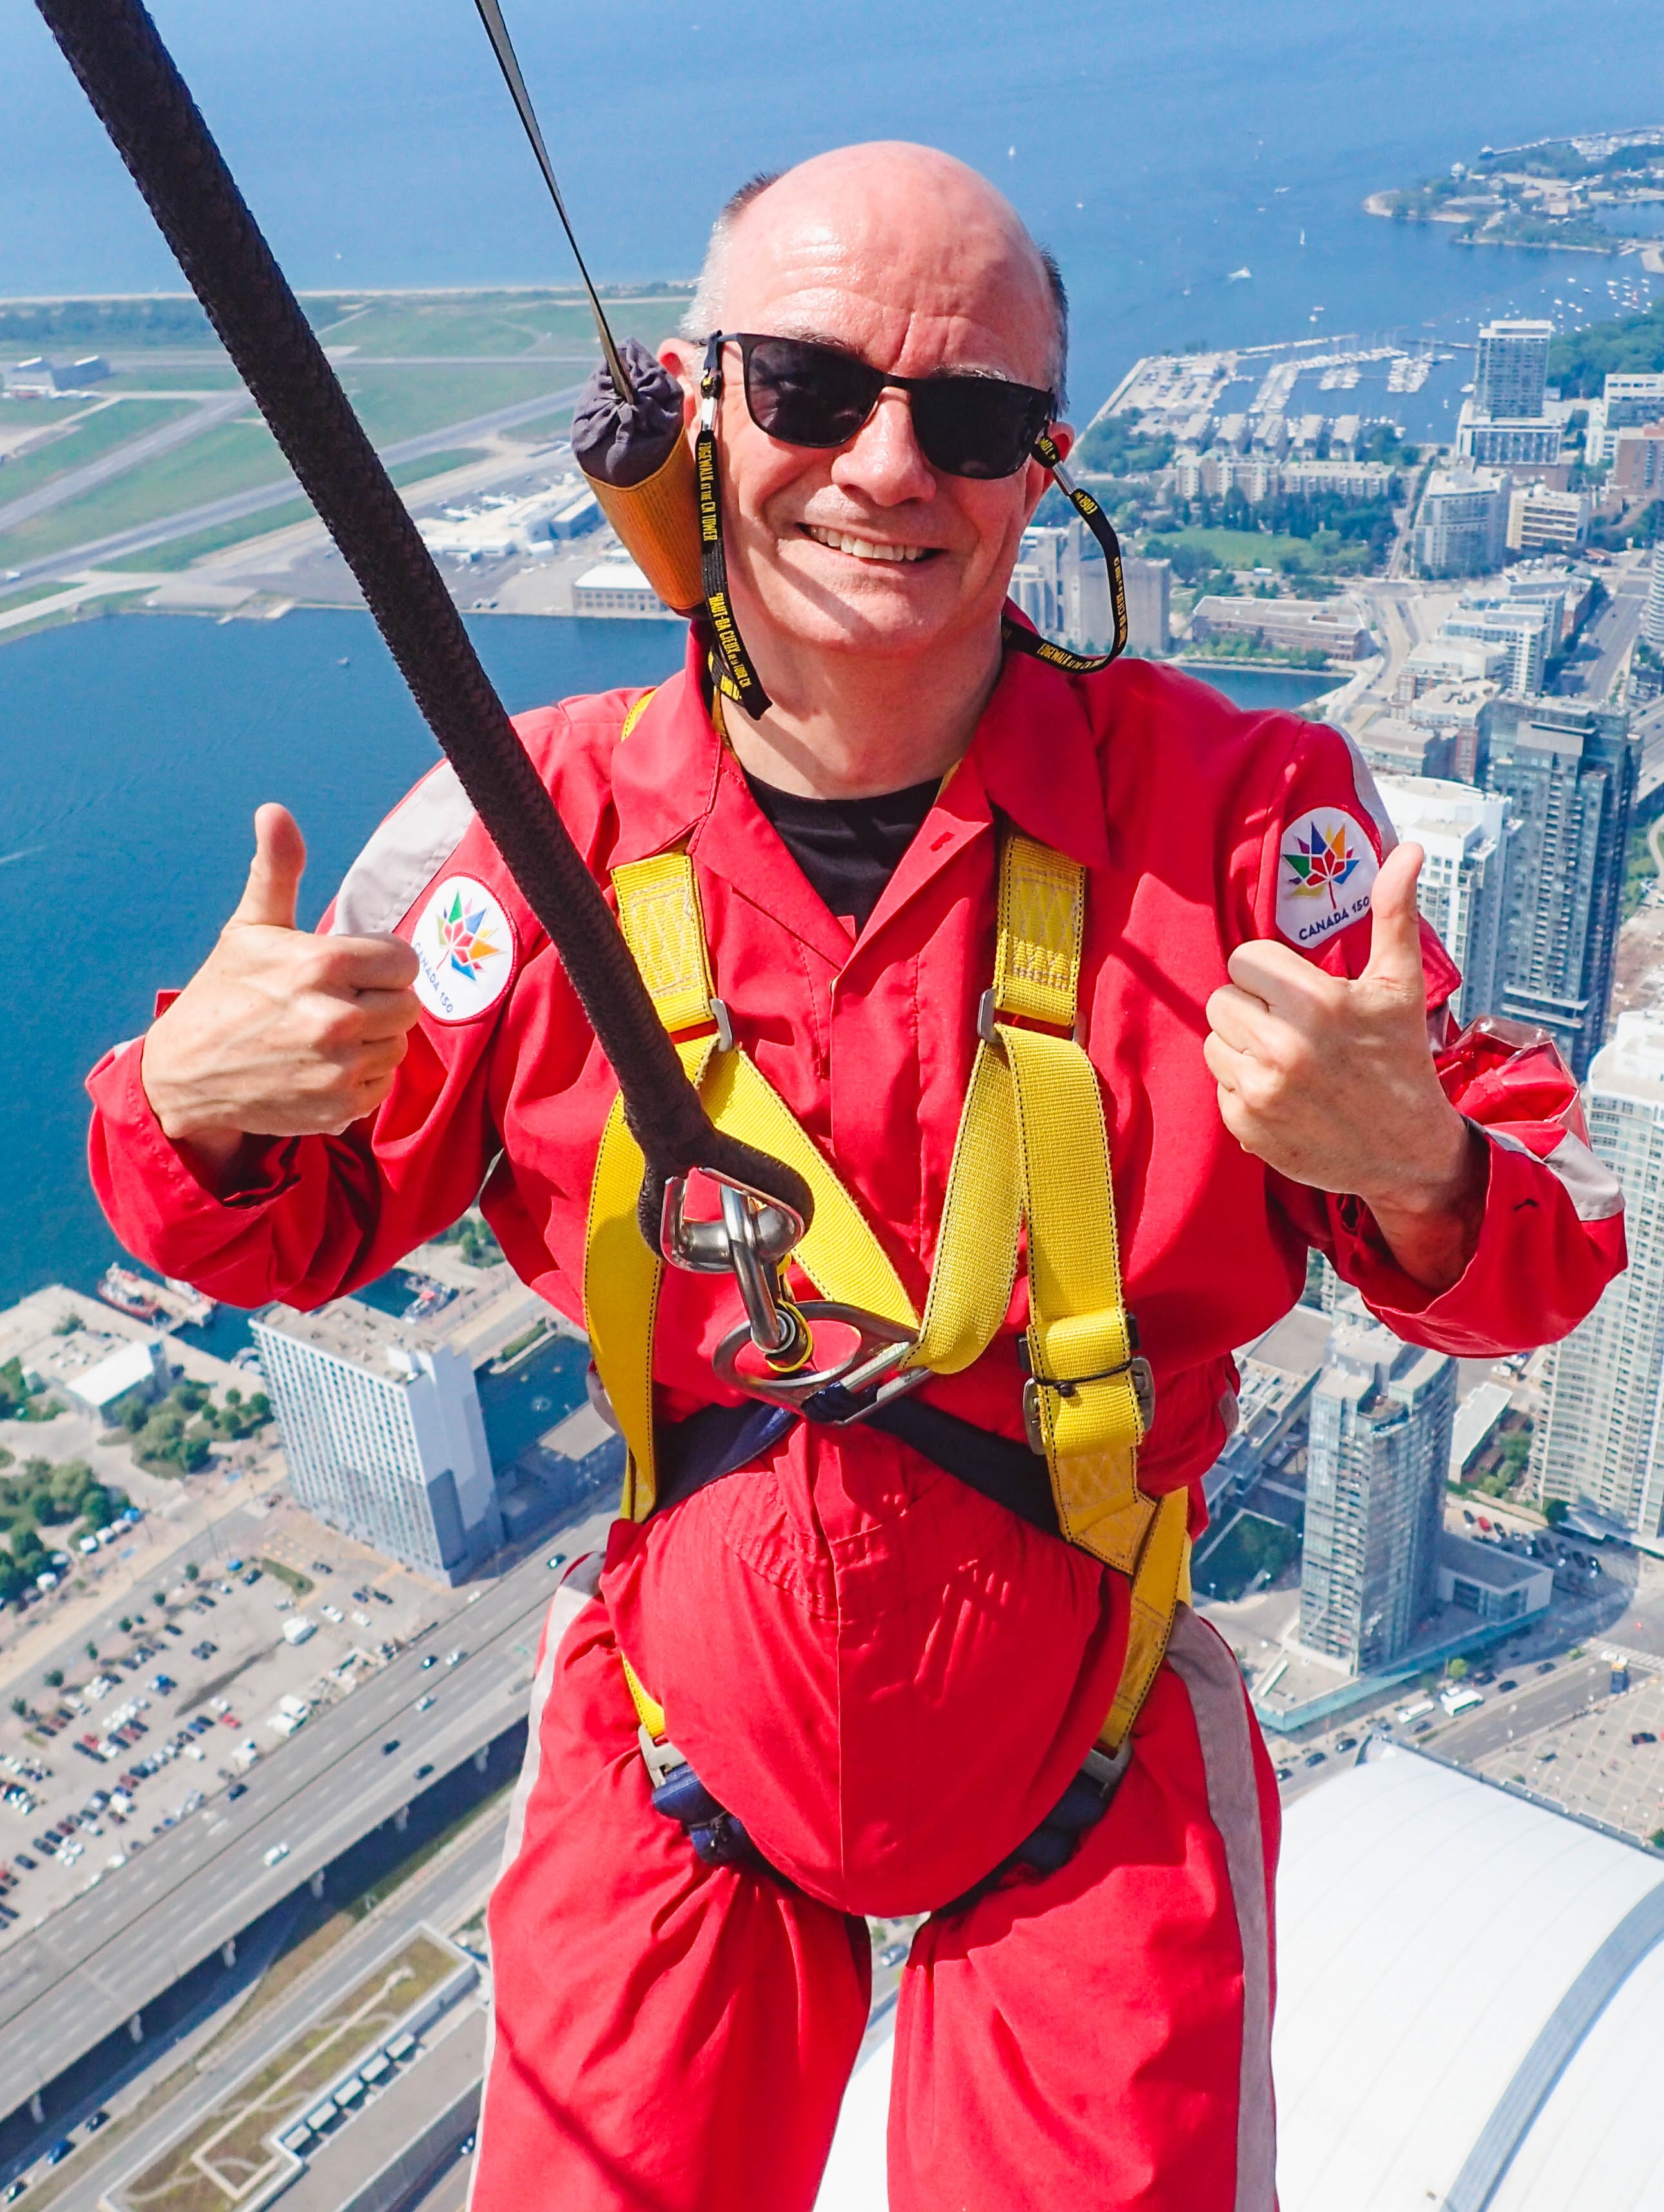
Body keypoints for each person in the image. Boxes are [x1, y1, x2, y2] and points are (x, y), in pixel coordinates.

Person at [85, 144, 1624, 2212]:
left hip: (1086, 1776)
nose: (890, 467)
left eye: (972, 418)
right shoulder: (533, 834)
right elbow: (288, 1224)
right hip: (674, 1742)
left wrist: (1421, 1168)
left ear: (1039, 470)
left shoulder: (1244, 825)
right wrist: (193, 1102)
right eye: (812, 389)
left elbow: (1545, 1235)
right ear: (693, 407)